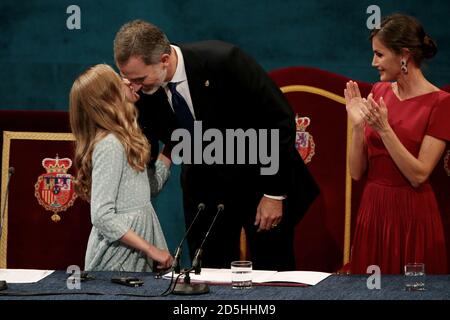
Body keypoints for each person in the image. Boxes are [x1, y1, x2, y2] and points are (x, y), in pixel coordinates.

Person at [113, 20, 319, 271]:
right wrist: (126, 109)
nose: (133, 86)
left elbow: (278, 119)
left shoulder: (224, 61)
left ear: (164, 60)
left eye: (139, 78)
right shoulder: (141, 92)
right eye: (126, 79)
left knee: (272, 272)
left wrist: (273, 193)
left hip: (258, 181)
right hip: (203, 193)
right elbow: (145, 147)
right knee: (207, 276)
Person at [345, 14, 450, 274]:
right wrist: (357, 128)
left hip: (412, 215)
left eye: (379, 55)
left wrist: (385, 130)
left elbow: (419, 174)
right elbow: (356, 173)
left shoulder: (441, 103)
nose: (373, 62)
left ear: (403, 55)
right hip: (373, 211)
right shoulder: (378, 93)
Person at [69, 64, 174, 272]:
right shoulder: (110, 145)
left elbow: (145, 191)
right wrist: (151, 250)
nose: (128, 82)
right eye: (119, 80)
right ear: (109, 98)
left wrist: (172, 147)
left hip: (135, 248)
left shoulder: (124, 139)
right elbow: (101, 215)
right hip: (119, 257)